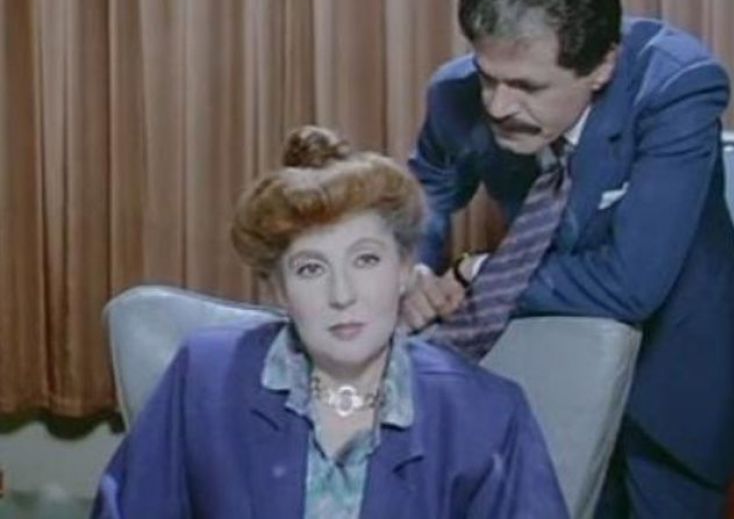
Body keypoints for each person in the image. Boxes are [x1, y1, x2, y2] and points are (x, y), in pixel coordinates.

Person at [405, 0, 734, 518]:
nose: (497, 106)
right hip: (545, 384)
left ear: (603, 65)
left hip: (675, 396)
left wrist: (479, 273)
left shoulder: (676, 87)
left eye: (527, 87)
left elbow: (630, 283)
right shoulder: (455, 95)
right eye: (488, 76)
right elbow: (422, 195)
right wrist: (411, 268)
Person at [92, 125, 568, 518]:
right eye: (310, 269)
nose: (342, 295)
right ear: (279, 289)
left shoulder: (487, 412)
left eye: (366, 260)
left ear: (405, 269)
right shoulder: (205, 377)